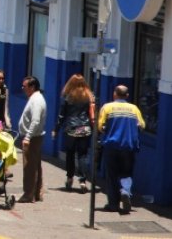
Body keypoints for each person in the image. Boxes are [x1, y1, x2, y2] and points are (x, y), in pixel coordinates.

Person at [98, 85, 145, 214]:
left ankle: (113, 204)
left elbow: (100, 126)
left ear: (114, 94)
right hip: (129, 146)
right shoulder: (134, 109)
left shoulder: (107, 108)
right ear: (127, 96)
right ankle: (125, 191)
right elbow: (142, 125)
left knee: (112, 175)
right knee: (127, 172)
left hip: (111, 146)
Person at [53, 74, 94, 193]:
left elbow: (61, 115)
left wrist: (56, 129)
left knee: (70, 154)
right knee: (82, 155)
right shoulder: (89, 96)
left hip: (71, 128)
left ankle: (70, 178)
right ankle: (82, 181)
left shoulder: (68, 97)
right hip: (85, 128)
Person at [18, 75, 46, 203]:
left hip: (33, 138)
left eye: (25, 86)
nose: (23, 88)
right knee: (35, 166)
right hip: (34, 137)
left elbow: (35, 121)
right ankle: (36, 192)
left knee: (29, 167)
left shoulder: (36, 100)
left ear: (32, 87)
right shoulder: (35, 98)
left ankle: (28, 194)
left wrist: (27, 137)